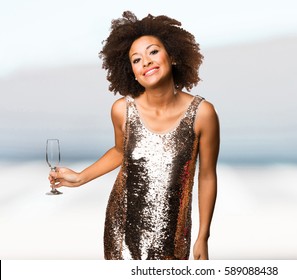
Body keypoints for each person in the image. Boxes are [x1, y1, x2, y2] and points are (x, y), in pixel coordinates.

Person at [49, 11, 219, 260]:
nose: (146, 62)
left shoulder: (203, 113)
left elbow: (206, 176)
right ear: (132, 71)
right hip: (123, 228)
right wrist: (80, 177)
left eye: (153, 52)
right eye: (136, 59)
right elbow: (120, 151)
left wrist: (203, 236)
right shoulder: (122, 110)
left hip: (173, 233)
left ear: (171, 56)